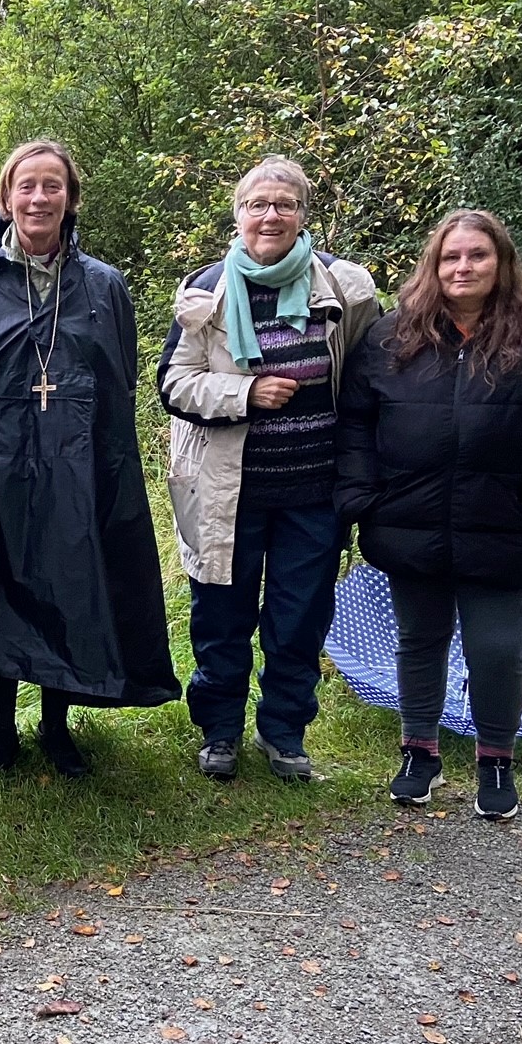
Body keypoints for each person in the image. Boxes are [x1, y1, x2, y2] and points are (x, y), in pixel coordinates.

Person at [0, 140, 180, 771]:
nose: (39, 198)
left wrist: (106, 470)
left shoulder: (102, 286)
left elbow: (118, 387)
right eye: (27, 186)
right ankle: (1, 730)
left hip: (74, 468)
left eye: (53, 186)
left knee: (69, 585)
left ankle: (56, 726)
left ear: (70, 198)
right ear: (7, 197)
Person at [335, 209, 522, 820]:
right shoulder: (389, 337)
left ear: (501, 263)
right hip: (408, 523)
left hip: (505, 528)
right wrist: (363, 500)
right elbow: (354, 423)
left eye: (477, 255)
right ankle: (419, 753)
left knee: (498, 649)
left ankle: (495, 759)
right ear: (433, 266)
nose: (463, 267)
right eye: (451, 257)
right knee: (419, 642)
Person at [157, 155, 381, 782]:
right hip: (226, 492)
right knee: (221, 619)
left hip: (315, 492)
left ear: (305, 215)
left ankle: (284, 735)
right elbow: (174, 384)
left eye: (285, 204)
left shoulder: (346, 287)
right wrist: (246, 395)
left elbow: (372, 379)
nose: (270, 215)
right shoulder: (207, 289)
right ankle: (220, 732)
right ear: (238, 216)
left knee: (298, 620)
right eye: (257, 204)